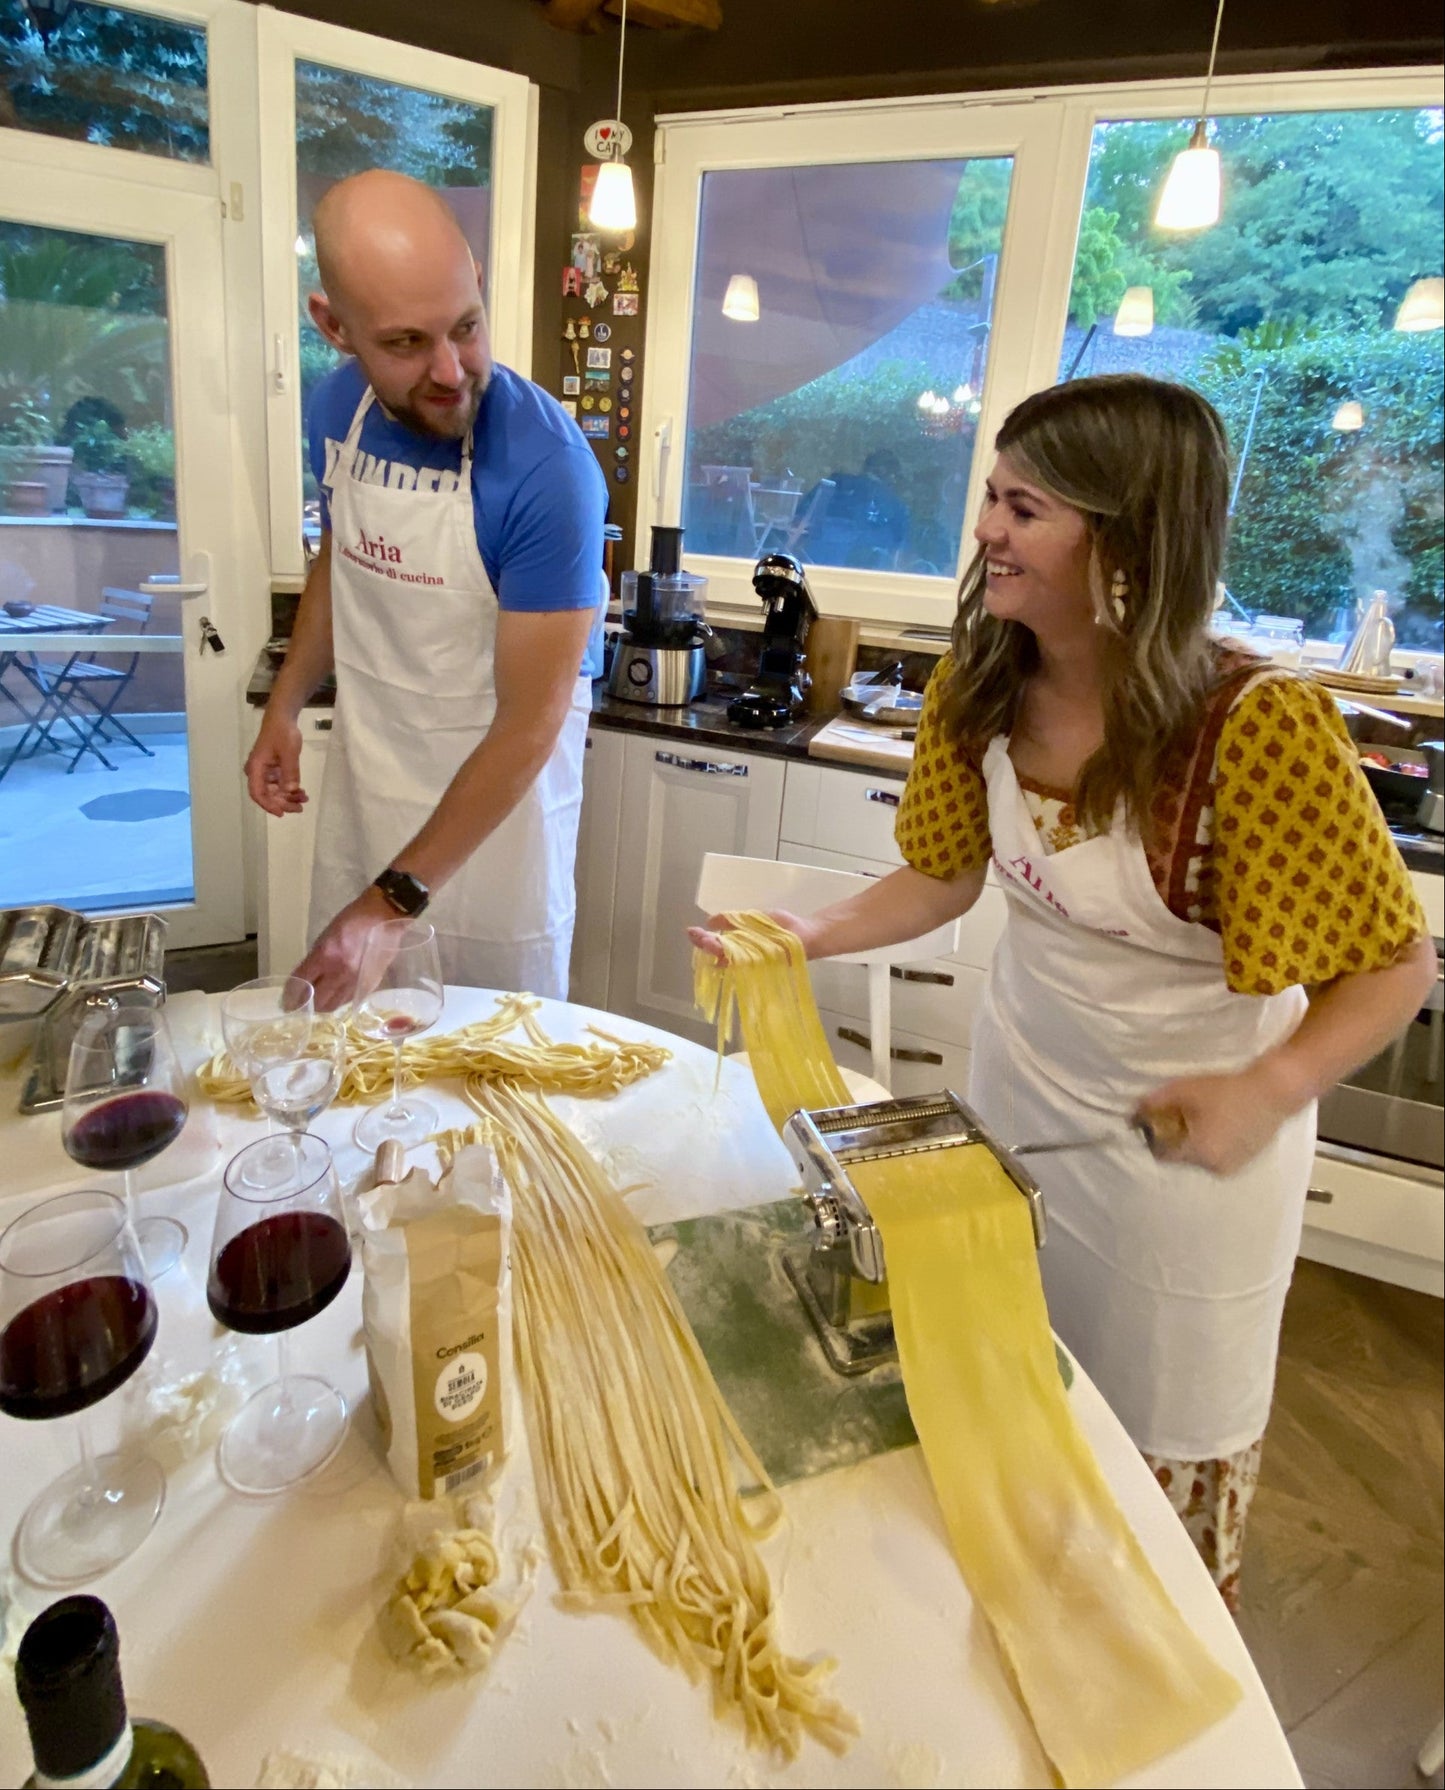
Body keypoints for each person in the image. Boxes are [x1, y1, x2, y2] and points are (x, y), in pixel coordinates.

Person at [693, 375, 1433, 1608]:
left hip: (1189, 1170)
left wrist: (1270, 1083)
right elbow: (935, 880)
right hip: (1022, 1106)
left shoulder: (1256, 733)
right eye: (991, 494)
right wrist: (800, 929)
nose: (984, 527)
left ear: (1129, 539)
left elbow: (1394, 964)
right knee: (1008, 1388)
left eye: (1023, 507)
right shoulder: (978, 690)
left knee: (1144, 1461)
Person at [246, 171, 606, 1008]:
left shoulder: (550, 474)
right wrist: (285, 705)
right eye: (407, 343)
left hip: (497, 842)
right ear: (334, 327)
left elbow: (530, 724)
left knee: (491, 1082)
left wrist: (390, 904)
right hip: (370, 799)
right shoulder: (338, 409)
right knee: (356, 1070)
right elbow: (343, 554)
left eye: (467, 328)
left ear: (476, 278)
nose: (451, 371)